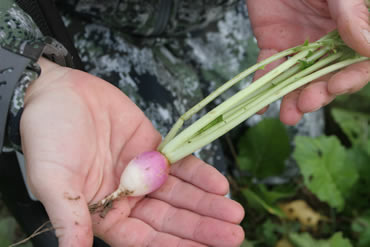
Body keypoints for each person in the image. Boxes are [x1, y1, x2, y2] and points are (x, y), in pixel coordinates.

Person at [0, 0, 369, 246]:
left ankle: (277, 193)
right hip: (62, 29)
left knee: (289, 140)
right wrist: (28, 79)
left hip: (243, 11)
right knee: (187, 204)